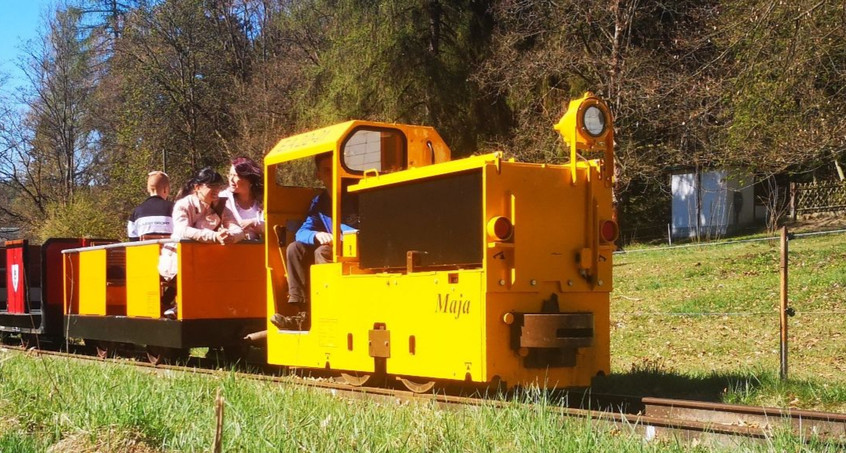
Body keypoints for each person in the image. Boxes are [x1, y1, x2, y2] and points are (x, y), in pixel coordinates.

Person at [271, 153, 358, 330]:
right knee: (295, 248)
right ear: (318, 175)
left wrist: (342, 237)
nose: (332, 174)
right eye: (327, 170)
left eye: (336, 169)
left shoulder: (357, 195)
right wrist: (317, 235)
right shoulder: (320, 202)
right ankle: (303, 314)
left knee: (322, 252)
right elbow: (302, 232)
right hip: (335, 251)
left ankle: (329, 309)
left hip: (357, 253)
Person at [158, 167, 245, 319]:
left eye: (218, 186)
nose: (216, 190)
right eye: (211, 186)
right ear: (197, 187)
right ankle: (175, 306)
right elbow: (183, 230)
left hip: (207, 258)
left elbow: (239, 230)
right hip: (178, 257)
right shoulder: (182, 205)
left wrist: (231, 236)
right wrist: (214, 236)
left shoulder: (222, 206)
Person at [217, 157, 264, 240]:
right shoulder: (222, 199)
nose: (231, 179)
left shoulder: (264, 200)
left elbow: (273, 226)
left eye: (235, 175)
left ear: (249, 179)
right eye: (230, 175)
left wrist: (254, 223)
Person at [127, 171, 174, 241]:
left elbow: (133, 239)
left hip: (144, 251)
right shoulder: (175, 209)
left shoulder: (136, 212)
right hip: (171, 251)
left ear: (148, 189)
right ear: (165, 189)